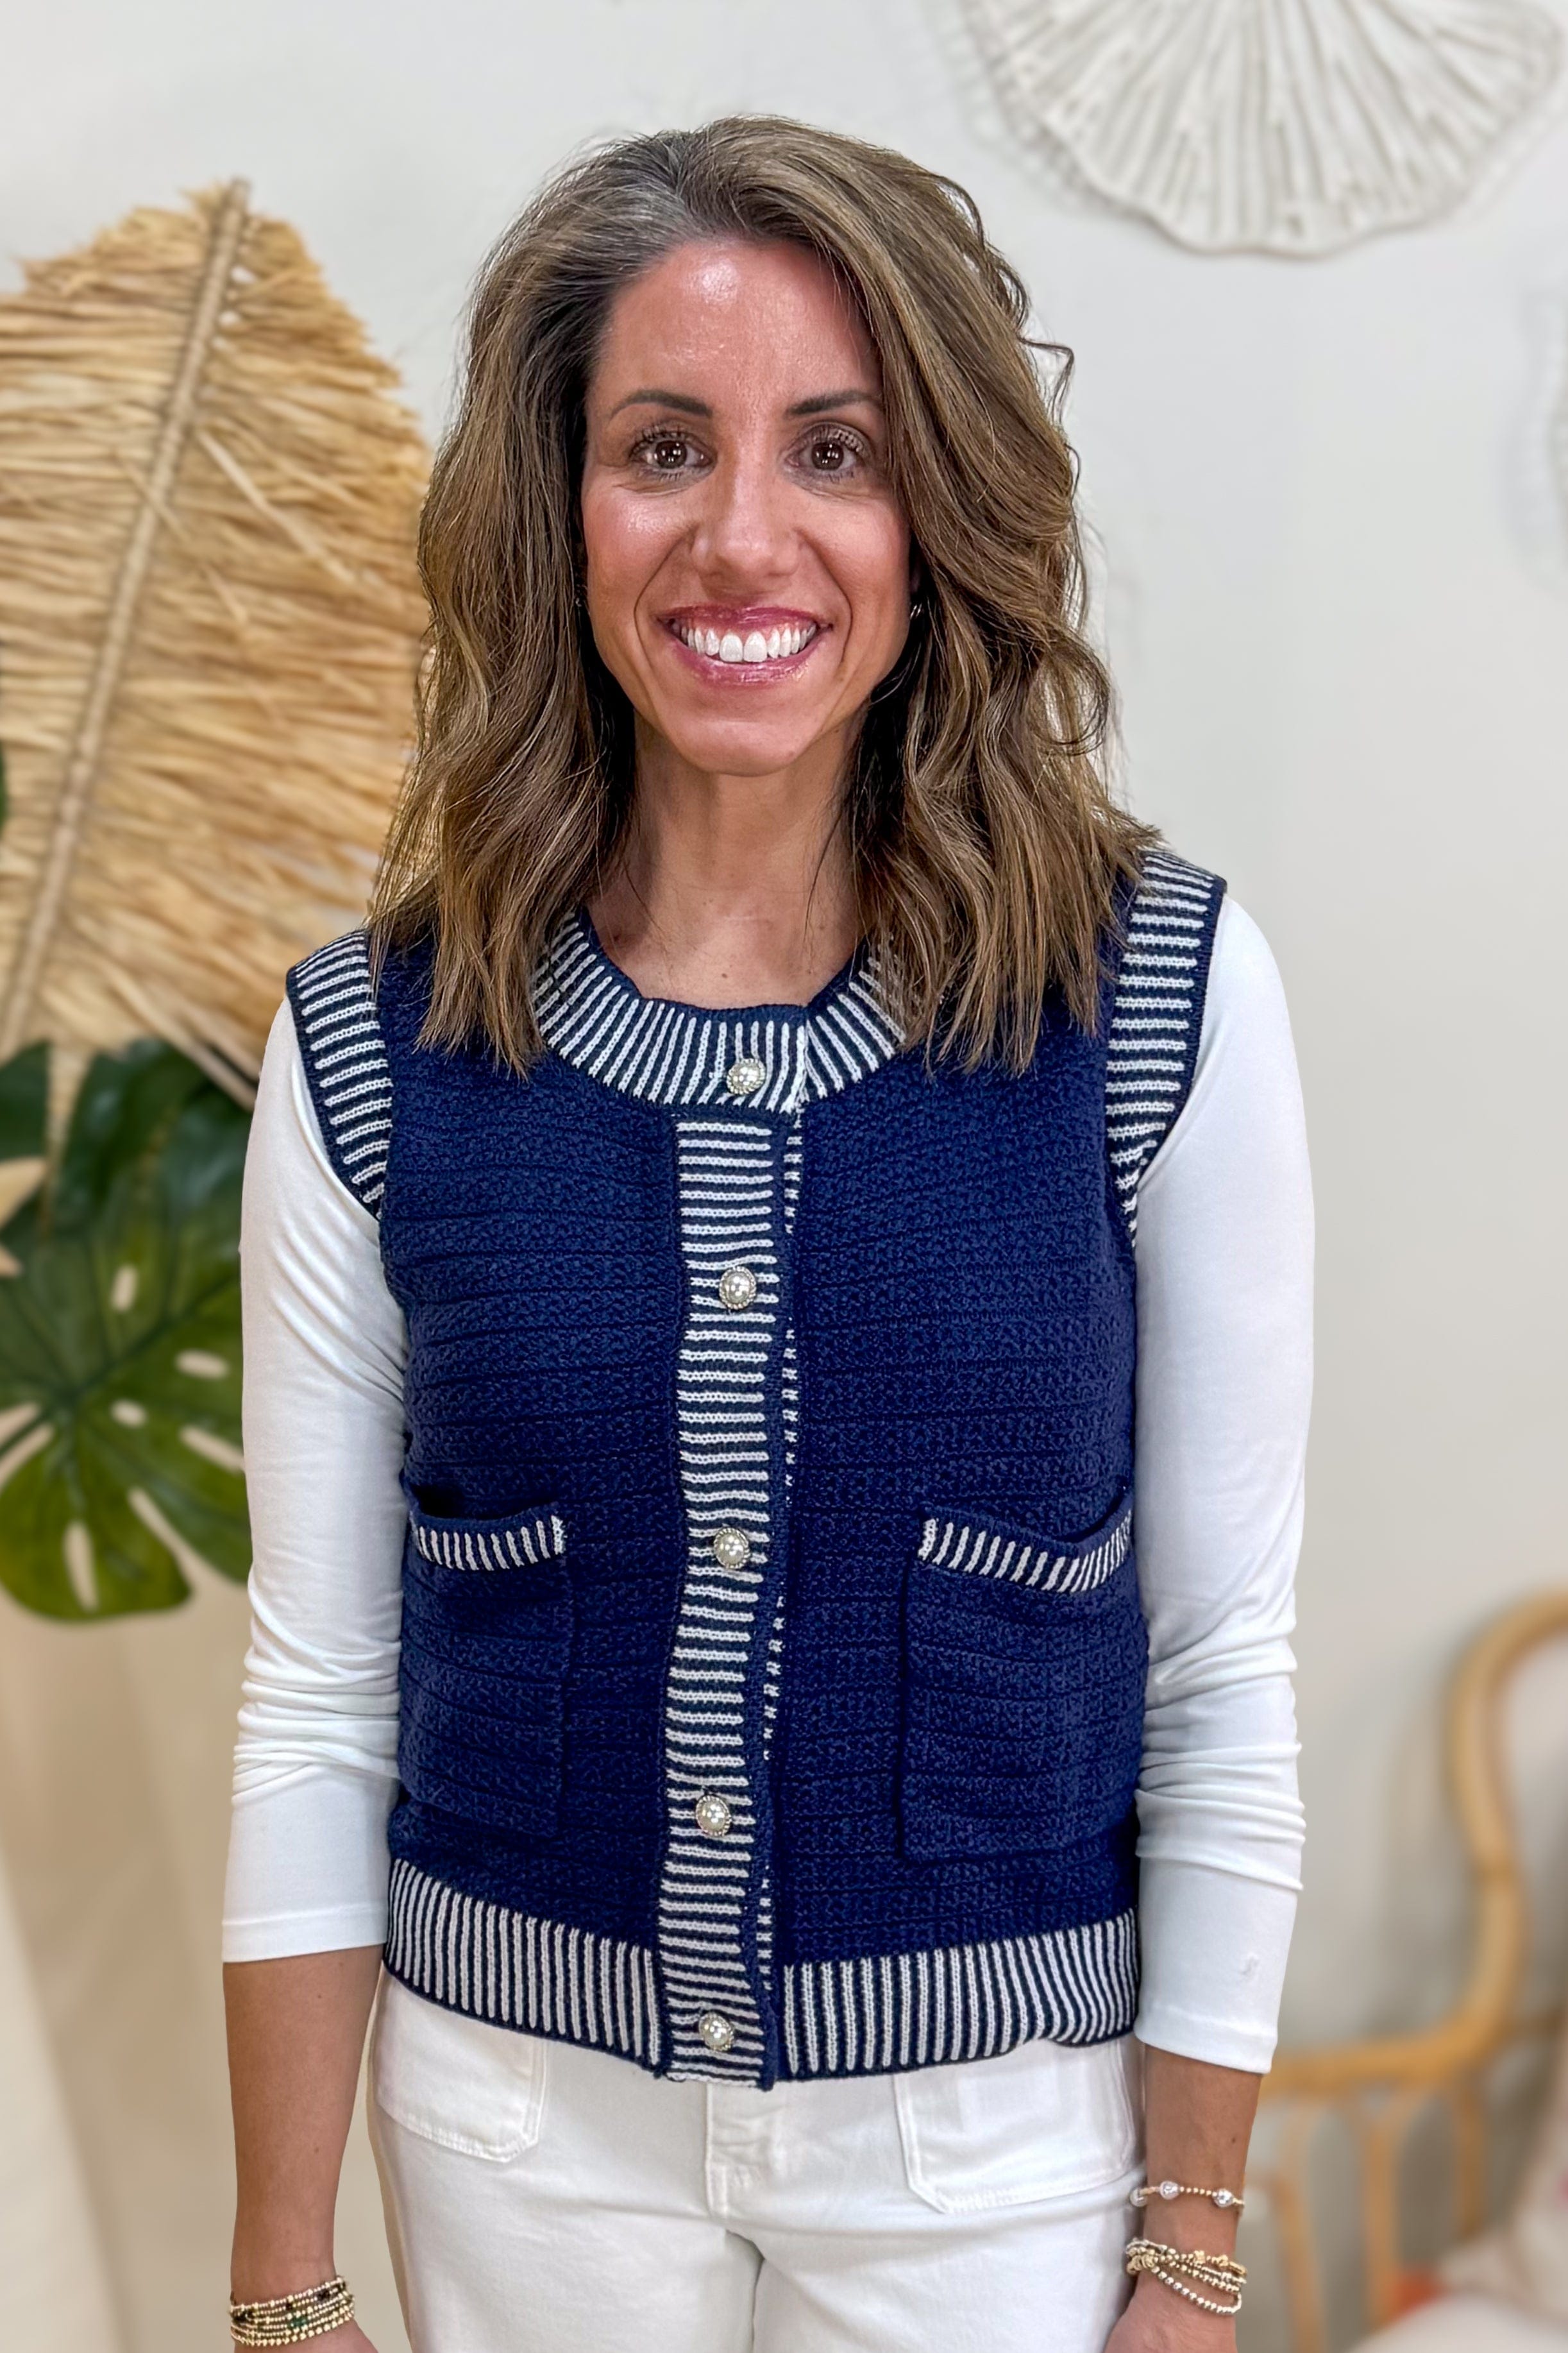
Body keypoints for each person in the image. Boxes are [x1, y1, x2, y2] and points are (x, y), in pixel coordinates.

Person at [223, 115, 1311, 2353]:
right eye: (662, 446)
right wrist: (279, 2277)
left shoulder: (1160, 1004)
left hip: (994, 2148)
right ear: (563, 504)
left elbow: (1220, 1677)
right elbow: (321, 1698)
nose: (745, 534)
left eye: (836, 448)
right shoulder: (371, 1047)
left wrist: (1191, 2254)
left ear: (938, 515)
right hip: (519, 2130)